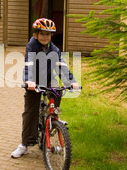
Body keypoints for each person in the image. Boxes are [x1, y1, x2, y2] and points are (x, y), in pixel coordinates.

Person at [11, 18, 80, 158]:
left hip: (48, 79)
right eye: (42, 33)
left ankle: (53, 119)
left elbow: (61, 66)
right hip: (34, 81)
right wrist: (29, 81)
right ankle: (25, 144)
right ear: (35, 34)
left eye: (48, 34)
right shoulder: (32, 46)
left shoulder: (54, 49)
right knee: (31, 110)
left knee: (57, 91)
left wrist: (72, 81)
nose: (45, 37)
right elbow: (29, 64)